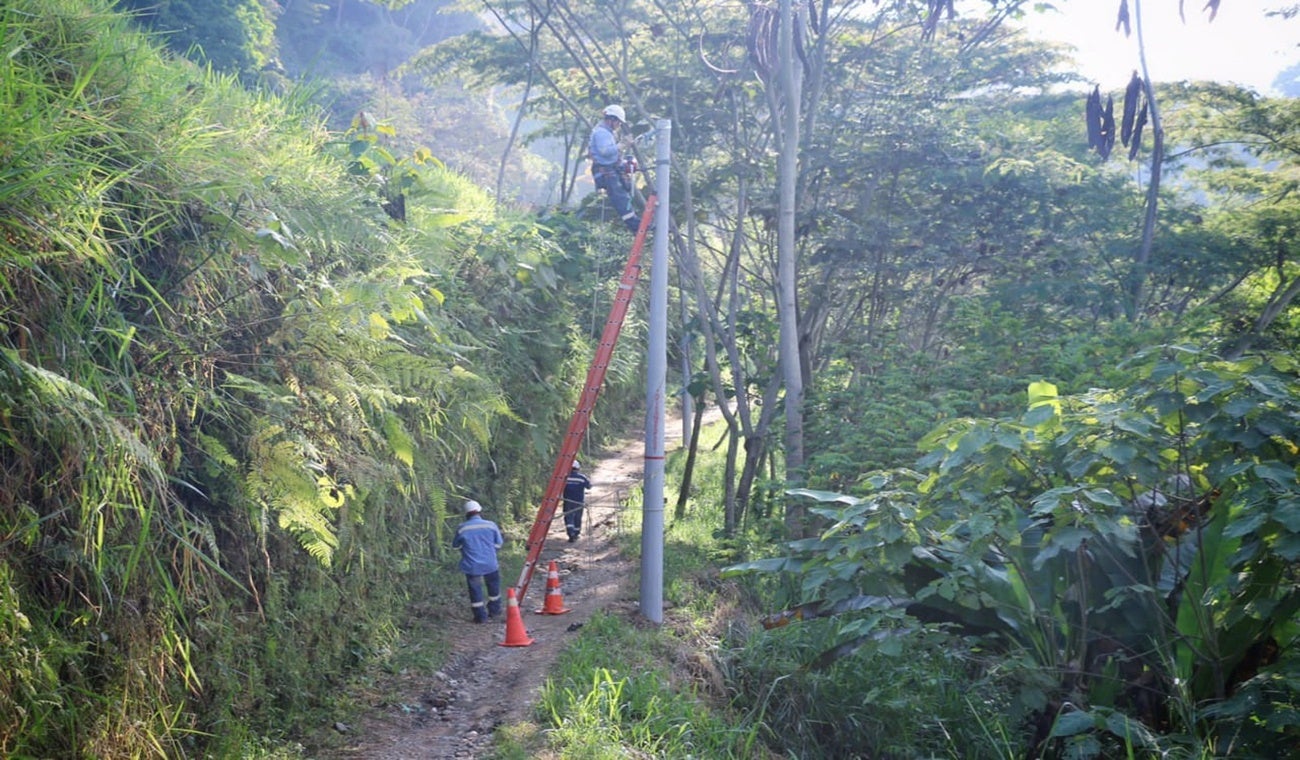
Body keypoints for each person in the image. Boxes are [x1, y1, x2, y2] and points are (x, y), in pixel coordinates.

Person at [588, 104, 641, 233]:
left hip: (611, 168)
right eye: (618, 122)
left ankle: (636, 220)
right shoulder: (601, 133)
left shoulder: (608, 133)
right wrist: (622, 145)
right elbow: (605, 152)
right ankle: (634, 224)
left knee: (627, 188)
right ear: (612, 119)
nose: (619, 125)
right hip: (604, 171)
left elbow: (612, 156)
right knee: (620, 196)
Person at [451, 499, 504, 623]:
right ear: (479, 511)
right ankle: (495, 611)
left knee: (475, 590)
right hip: (490, 563)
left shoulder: (462, 528)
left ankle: (480, 617)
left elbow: (456, 546)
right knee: (493, 588)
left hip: (472, 565)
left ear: (466, 513)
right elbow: (498, 544)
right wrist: (490, 552)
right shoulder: (491, 525)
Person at [562, 460, 592, 542]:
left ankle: (570, 533)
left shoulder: (564, 478)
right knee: (577, 517)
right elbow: (589, 486)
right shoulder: (582, 477)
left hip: (567, 501)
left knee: (568, 517)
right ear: (578, 468)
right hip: (578, 502)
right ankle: (576, 533)